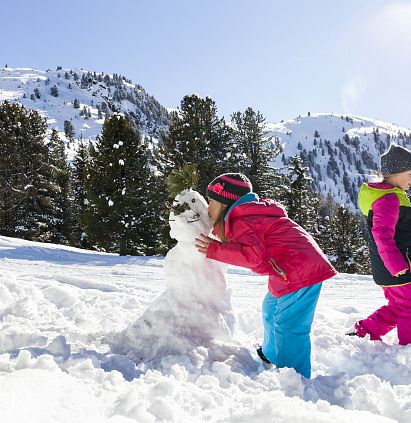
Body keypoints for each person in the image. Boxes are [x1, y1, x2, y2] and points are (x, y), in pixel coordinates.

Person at [195, 173, 337, 378]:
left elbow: (252, 256)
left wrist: (214, 250)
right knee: (270, 310)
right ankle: (272, 354)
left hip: (299, 271)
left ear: (225, 203)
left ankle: (294, 376)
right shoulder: (246, 215)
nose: (208, 209)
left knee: (288, 325)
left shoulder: (243, 219)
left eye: (211, 202)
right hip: (287, 270)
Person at [347, 144, 411, 345]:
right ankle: (408, 347)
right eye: (409, 173)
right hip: (396, 267)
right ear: (395, 173)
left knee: (398, 306)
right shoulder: (389, 199)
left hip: (393, 266)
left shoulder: (392, 196)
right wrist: (395, 265)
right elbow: (381, 234)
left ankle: (365, 331)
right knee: (409, 307)